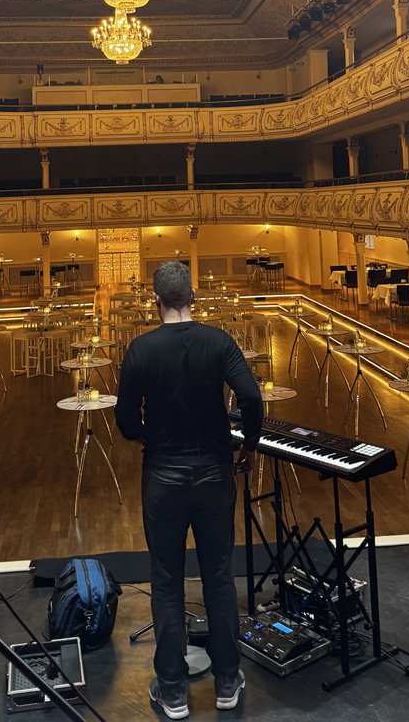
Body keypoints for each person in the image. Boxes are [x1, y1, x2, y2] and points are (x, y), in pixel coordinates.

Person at [115, 262, 263, 719]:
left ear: (155, 300)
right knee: (218, 576)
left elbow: (124, 421)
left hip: (163, 475)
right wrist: (249, 446)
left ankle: (174, 690)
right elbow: (252, 398)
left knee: (166, 580)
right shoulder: (219, 342)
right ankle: (226, 682)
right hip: (216, 472)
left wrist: (149, 435)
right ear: (193, 297)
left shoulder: (140, 349)